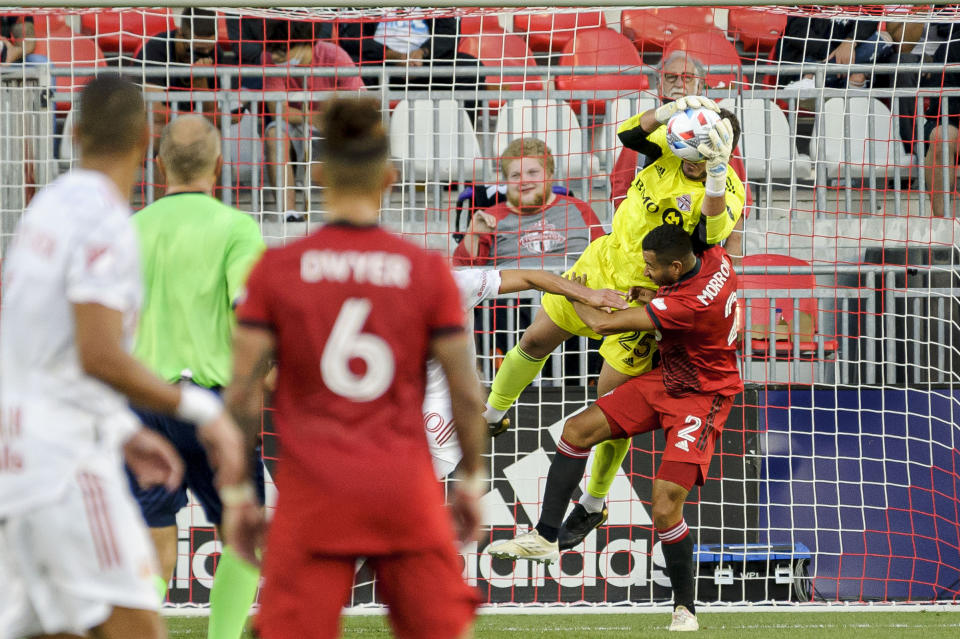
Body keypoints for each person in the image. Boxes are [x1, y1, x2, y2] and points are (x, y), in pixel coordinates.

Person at [0, 75, 257, 639]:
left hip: (26, 447)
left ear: (73, 131)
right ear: (146, 138)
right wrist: (204, 411)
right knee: (136, 622)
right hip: (67, 459)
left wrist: (125, 426)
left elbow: (42, 341)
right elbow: (96, 354)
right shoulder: (103, 219)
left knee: (60, 626)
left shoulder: (45, 210)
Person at [225, 96, 486, 638]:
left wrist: (237, 494)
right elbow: (465, 392)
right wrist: (469, 483)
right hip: (402, 489)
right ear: (390, 178)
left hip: (313, 492)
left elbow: (243, 394)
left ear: (317, 174)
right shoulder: (426, 271)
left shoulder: (277, 270)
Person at [482, 96, 744, 552]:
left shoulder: (730, 190)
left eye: (708, 152)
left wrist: (717, 175)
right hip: (601, 263)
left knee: (609, 406)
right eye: (695, 145)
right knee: (538, 338)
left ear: (721, 151)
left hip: (641, 294)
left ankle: (594, 500)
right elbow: (628, 136)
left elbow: (710, 236)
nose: (697, 156)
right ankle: (493, 413)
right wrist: (667, 111)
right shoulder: (670, 147)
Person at [487, 224, 743, 633]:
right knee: (576, 430)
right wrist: (652, 293)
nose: (645, 271)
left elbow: (602, 325)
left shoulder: (688, 304)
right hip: (668, 379)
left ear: (675, 267)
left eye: (651, 267)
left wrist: (567, 291)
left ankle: (685, 608)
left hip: (702, 396)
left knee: (663, 506)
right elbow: (677, 283)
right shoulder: (714, 260)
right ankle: (546, 537)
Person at [127, 115, 266, 639]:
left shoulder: (130, 228)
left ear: (157, 164)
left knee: (154, 540)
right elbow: (249, 314)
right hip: (208, 405)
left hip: (141, 404)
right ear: (219, 164)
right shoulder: (235, 228)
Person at [426, 268, 628, 478]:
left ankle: (492, 417)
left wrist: (585, 293)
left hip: (444, 413)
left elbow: (528, 277)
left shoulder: (451, 284)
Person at [610, 50, 748, 263]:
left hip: (691, 251)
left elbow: (733, 190)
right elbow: (620, 187)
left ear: (700, 87)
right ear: (659, 85)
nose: (678, 83)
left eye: (687, 77)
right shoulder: (648, 129)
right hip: (639, 247)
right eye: (671, 77)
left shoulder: (718, 133)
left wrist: (735, 244)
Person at [262, 19, 365, 219]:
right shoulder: (268, 58)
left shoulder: (335, 55)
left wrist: (333, 118)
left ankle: (352, 214)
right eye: (272, 48)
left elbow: (361, 103)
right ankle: (288, 214)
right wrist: (312, 117)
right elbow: (277, 109)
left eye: (281, 50)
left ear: (304, 44)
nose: (274, 56)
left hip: (334, 129)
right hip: (298, 127)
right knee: (274, 132)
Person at [453, 138, 604, 269]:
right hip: (514, 300)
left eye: (532, 173)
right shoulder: (490, 217)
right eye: (515, 175)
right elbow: (464, 275)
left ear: (550, 174)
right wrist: (473, 234)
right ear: (507, 181)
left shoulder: (579, 209)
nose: (524, 181)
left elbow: (605, 259)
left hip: (573, 297)